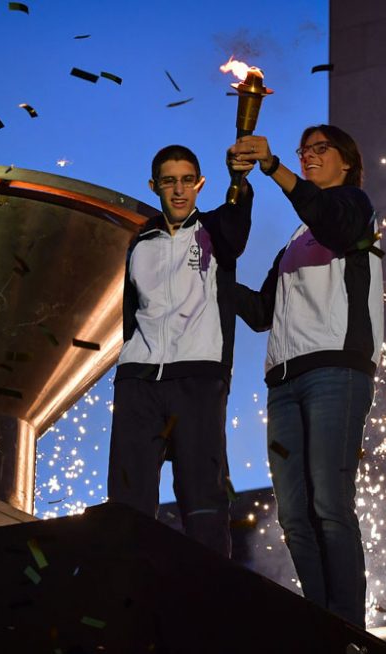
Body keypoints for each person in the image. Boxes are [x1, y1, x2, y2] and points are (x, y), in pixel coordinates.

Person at [229, 125, 383, 627]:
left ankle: (347, 629)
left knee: (329, 504)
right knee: (295, 516)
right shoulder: (295, 241)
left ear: (346, 161)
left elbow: (333, 223)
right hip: (284, 383)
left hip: (335, 371)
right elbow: (258, 312)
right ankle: (320, 623)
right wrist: (211, 270)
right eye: (305, 151)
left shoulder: (356, 209)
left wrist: (275, 169)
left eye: (321, 150)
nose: (310, 156)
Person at [107, 144, 253, 557]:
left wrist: (239, 179)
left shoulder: (216, 233)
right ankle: (123, 589)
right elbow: (132, 311)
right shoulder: (140, 243)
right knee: (127, 500)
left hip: (198, 377)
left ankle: (208, 602)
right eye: (169, 181)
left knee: (203, 499)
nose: (178, 190)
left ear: (200, 184)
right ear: (154, 186)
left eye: (187, 180)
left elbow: (237, 224)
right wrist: (131, 361)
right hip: (139, 378)